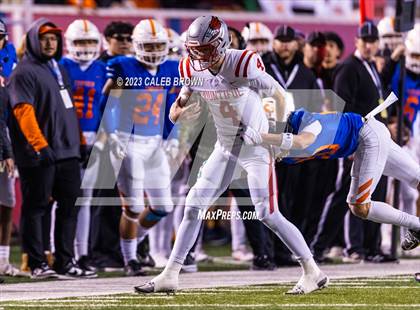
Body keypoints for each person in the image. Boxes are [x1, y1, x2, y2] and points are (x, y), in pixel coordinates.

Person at [135, 15, 328, 295]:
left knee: (267, 213)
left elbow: (281, 94)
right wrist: (180, 113)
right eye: (195, 48)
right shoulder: (189, 67)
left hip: (256, 146)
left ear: (222, 44)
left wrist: (277, 136)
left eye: (205, 48)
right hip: (225, 147)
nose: (199, 54)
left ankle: (313, 270)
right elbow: (176, 108)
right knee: (193, 205)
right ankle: (171, 274)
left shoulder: (242, 62)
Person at [241, 94, 420, 255]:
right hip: (366, 139)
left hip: (368, 137)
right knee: (417, 178)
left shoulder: (306, 121)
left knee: (359, 205)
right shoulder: (275, 143)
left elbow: (303, 142)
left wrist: (259, 137)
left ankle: (416, 225)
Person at [8, 18, 94, 279]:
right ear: (33, 40)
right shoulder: (23, 72)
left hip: (67, 152)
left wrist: (80, 143)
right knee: (36, 208)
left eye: (54, 38)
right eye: (44, 37)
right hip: (39, 154)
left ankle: (64, 261)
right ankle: (36, 263)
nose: (49, 42)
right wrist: (40, 146)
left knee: (70, 207)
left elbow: (70, 111)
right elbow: (23, 111)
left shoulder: (58, 69)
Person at [102, 18, 178, 276]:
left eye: (158, 46)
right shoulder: (122, 66)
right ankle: (130, 259)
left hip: (155, 143)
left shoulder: (171, 69)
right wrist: (113, 136)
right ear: (137, 45)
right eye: (149, 45)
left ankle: (131, 242)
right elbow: (110, 102)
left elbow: (171, 108)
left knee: (163, 206)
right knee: (133, 206)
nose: (155, 51)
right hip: (129, 141)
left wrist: (173, 137)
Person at [60, 19, 108, 274]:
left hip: (94, 139)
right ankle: (55, 252)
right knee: (63, 201)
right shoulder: (61, 66)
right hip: (65, 140)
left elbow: (107, 107)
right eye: (80, 41)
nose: (86, 46)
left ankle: (83, 253)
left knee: (86, 200)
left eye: (90, 41)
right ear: (69, 43)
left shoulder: (103, 68)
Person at [0, 18, 20, 277]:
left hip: (7, 135)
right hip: (4, 141)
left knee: (7, 201)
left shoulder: (11, 57)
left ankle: (3, 260)